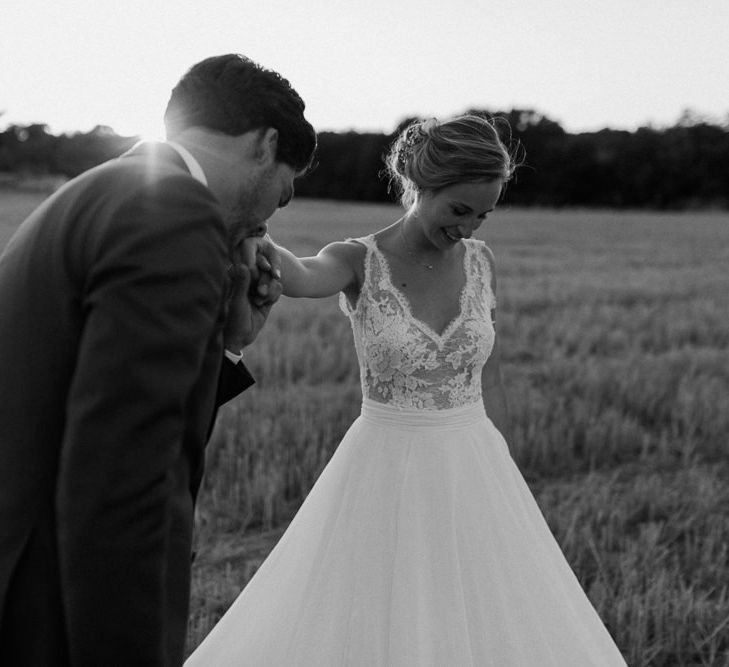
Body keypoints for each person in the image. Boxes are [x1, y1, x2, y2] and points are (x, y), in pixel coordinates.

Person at [185, 114, 627, 666]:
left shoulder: (482, 263)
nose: (469, 228)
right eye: (459, 210)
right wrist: (245, 214)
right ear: (422, 188)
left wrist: (504, 466)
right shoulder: (357, 260)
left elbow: (492, 375)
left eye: (484, 214)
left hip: (475, 463)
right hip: (385, 464)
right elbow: (298, 275)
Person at [0, 54, 316, 666]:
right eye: (287, 187)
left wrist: (229, 343)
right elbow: (122, 469)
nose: (274, 214)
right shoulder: (174, 209)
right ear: (266, 144)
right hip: (55, 609)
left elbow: (95, 388)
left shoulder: (98, 191)